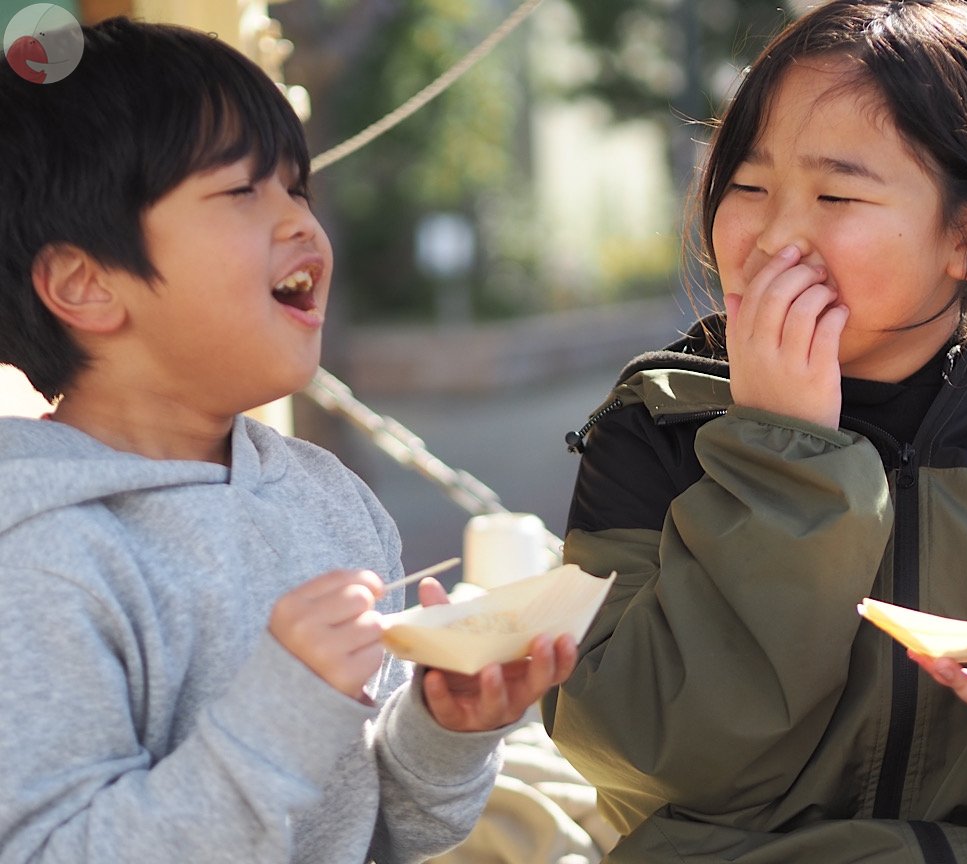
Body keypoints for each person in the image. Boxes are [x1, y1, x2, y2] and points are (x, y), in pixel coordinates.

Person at [541, 1, 967, 861]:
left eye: (836, 194)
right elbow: (639, 760)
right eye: (747, 186)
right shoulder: (657, 429)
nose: (775, 238)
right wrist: (777, 456)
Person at [0, 17, 575, 864]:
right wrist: (282, 710)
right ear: (87, 285)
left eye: (297, 187)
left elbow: (385, 826)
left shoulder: (330, 501)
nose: (302, 223)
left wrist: (447, 729)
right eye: (243, 191)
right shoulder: (42, 555)